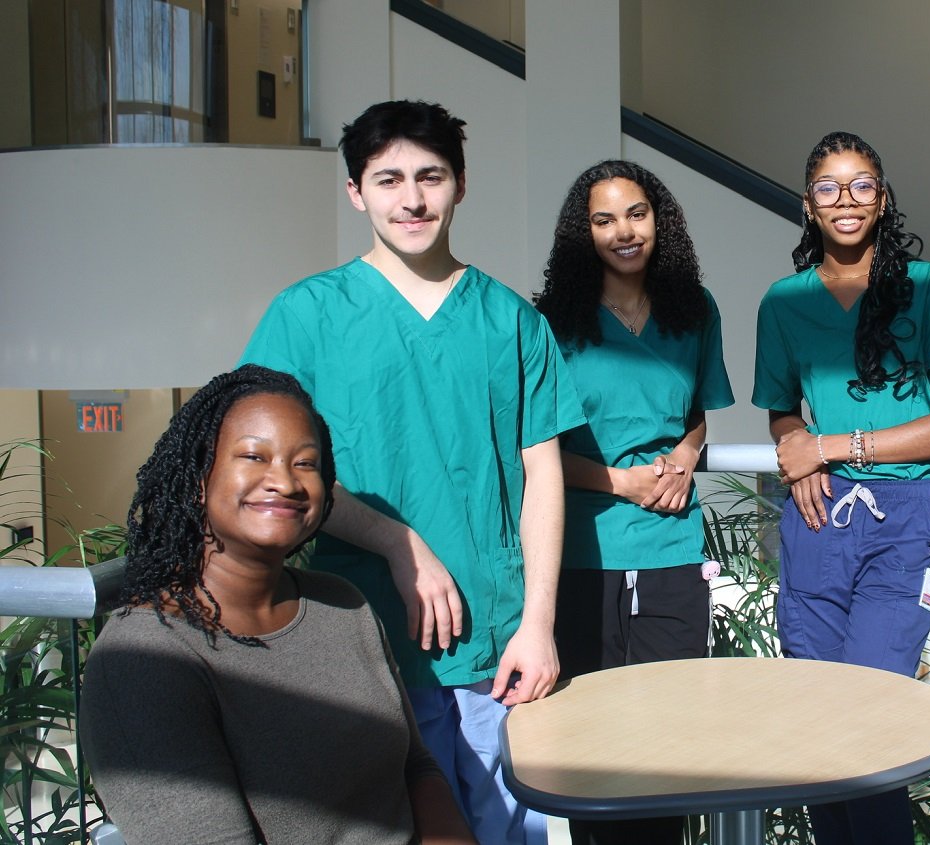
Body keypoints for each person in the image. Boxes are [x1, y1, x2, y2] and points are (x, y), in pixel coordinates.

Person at [240, 100, 584, 843]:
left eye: (430, 176)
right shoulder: (305, 316)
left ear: (461, 184)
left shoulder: (510, 321)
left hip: (498, 649)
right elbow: (271, 475)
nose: (413, 198)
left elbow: (542, 481)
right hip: (362, 641)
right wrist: (397, 541)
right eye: (388, 178)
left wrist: (538, 623)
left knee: (511, 832)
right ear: (356, 192)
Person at [80, 365, 476, 845]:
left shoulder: (342, 604)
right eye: (254, 455)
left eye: (305, 463)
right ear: (197, 477)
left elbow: (414, 765)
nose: (284, 482)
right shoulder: (143, 660)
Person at [752, 130, 930, 845]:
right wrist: (794, 446)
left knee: (870, 715)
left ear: (883, 199)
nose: (846, 200)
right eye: (828, 187)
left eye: (861, 185)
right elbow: (779, 408)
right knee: (814, 717)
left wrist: (829, 444)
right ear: (807, 206)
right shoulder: (783, 302)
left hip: (903, 522)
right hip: (816, 517)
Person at [533, 160, 734, 845]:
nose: (624, 230)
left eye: (637, 212)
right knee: (589, 752)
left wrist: (684, 454)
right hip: (581, 555)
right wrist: (617, 482)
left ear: (660, 218)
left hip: (672, 551)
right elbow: (534, 452)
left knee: (664, 749)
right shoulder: (551, 322)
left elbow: (699, 414)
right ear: (581, 233)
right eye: (603, 218)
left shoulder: (693, 309)